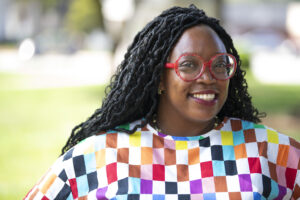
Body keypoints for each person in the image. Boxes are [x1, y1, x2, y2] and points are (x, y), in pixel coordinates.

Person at [25, 5, 300, 200]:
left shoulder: (267, 151)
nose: (208, 77)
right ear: (158, 77)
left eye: (219, 64)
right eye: (189, 65)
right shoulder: (101, 155)